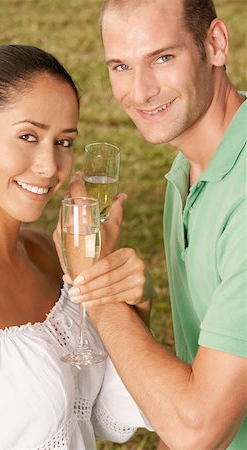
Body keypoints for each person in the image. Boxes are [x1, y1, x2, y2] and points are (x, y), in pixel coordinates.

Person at [59, 0, 247, 448]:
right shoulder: (187, 172)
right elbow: (191, 393)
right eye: (121, 66)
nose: (139, 91)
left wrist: (98, 294)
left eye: (162, 58)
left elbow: (197, 430)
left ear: (215, 44)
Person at [0, 44, 154, 449]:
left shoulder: (45, 254)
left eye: (63, 142)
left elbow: (106, 418)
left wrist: (126, 302)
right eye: (28, 136)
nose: (49, 165)